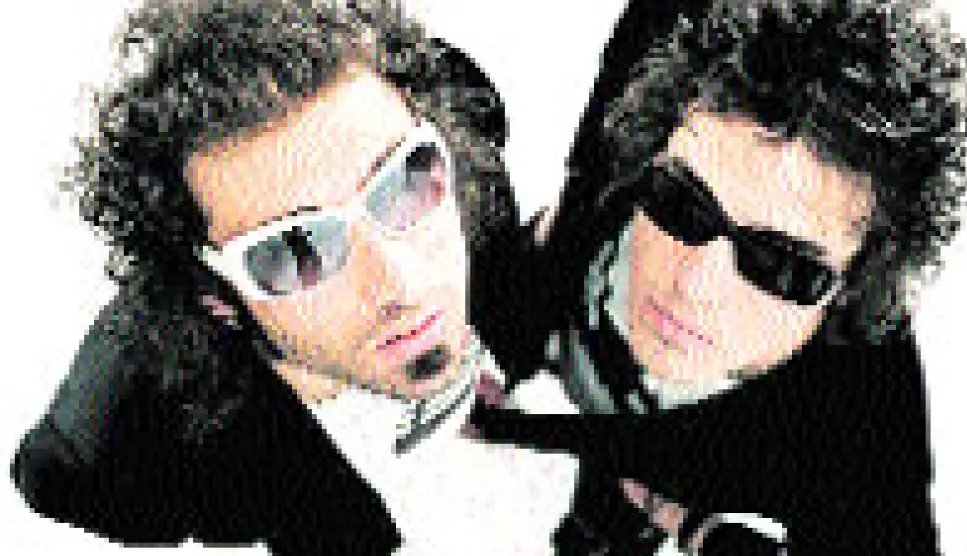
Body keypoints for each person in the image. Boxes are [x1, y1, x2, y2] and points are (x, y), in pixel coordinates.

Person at [10, 0, 576, 554]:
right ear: (217, 299)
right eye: (295, 251)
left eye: (407, 181)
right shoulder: (107, 446)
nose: (402, 283)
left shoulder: (468, 156)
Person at [471, 0, 967, 554]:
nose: (693, 286)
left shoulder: (862, 437)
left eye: (781, 266)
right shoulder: (648, 97)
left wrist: (699, 531)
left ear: (853, 292)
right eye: (681, 204)